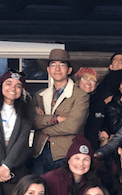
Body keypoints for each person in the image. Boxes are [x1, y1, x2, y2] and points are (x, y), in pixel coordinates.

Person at [31, 48, 90, 176]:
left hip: (64, 154)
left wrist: (45, 129)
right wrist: (55, 119)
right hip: (39, 152)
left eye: (62, 65)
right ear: (48, 70)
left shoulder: (80, 96)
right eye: (53, 65)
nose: (57, 69)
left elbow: (72, 126)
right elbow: (33, 122)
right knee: (38, 192)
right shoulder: (40, 95)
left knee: (61, 193)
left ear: (69, 70)